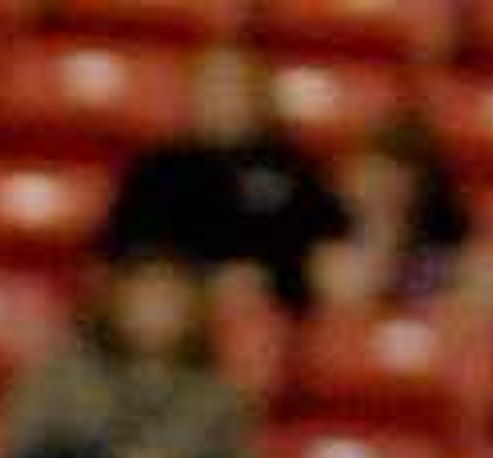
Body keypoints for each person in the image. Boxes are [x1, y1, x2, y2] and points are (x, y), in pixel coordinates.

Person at [0, 250, 256, 458]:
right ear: (115, 301)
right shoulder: (60, 374)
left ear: (195, 312)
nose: (154, 311)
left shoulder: (219, 401)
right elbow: (18, 453)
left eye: (168, 301)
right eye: (143, 297)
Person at [95, 39, 349, 314]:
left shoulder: (295, 169)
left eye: (233, 84)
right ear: (191, 92)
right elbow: (122, 254)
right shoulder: (157, 169)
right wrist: (203, 285)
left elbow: (327, 247)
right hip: (181, 319)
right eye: (212, 84)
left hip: (277, 314)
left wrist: (268, 280)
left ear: (258, 92)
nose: (222, 96)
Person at [310, 104, 479, 317]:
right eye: (374, 175)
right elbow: (351, 303)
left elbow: (475, 314)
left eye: (395, 180)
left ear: (420, 186)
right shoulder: (330, 230)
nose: (382, 190)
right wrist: (382, 231)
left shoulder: (449, 240)